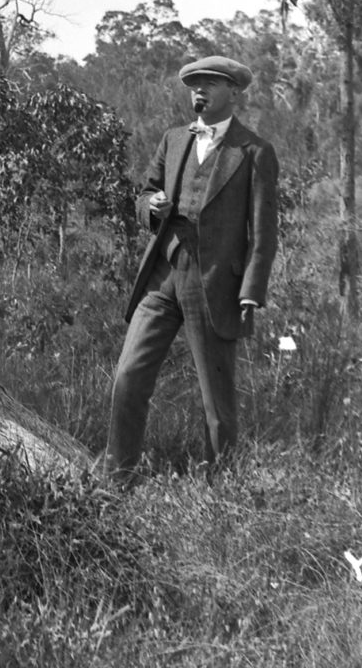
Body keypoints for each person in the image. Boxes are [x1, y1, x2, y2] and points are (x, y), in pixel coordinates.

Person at [102, 53, 279, 482]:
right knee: (127, 377)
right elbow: (144, 194)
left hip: (215, 286)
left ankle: (220, 496)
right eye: (194, 83)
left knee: (216, 406)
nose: (199, 89)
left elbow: (264, 232)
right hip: (163, 278)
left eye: (210, 83)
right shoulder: (174, 139)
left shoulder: (254, 152)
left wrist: (250, 291)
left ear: (233, 93)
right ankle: (116, 482)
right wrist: (152, 206)